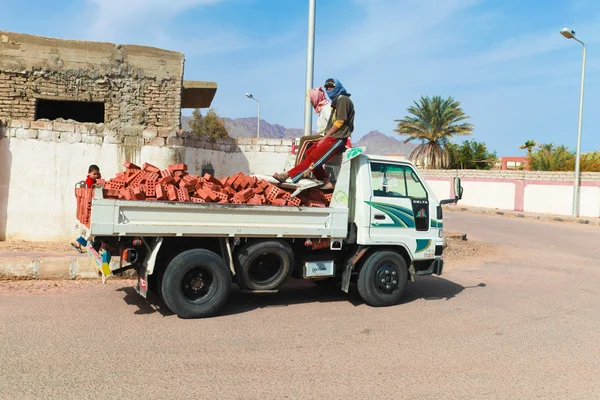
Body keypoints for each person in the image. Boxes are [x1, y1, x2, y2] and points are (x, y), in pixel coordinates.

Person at [274, 78, 354, 190]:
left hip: (337, 137)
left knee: (312, 155)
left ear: (338, 87)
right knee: (309, 152)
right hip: (331, 136)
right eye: (327, 88)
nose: (329, 89)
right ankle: (326, 181)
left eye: (331, 87)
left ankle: (288, 174)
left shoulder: (343, 99)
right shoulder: (336, 101)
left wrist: (324, 138)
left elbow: (340, 122)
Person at [295, 86, 333, 165]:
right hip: (323, 135)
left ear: (316, 98)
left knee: (304, 140)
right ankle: (305, 169)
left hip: (326, 136)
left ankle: (297, 167)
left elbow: (332, 123)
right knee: (309, 149)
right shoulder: (322, 108)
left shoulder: (326, 108)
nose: (311, 102)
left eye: (311, 99)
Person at [71, 165, 101, 253]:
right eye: (94, 174)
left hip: (88, 209)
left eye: (97, 174)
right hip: (89, 209)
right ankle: (78, 243)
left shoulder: (91, 181)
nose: (96, 176)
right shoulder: (89, 182)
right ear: (89, 173)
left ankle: (79, 244)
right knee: (88, 230)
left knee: (87, 231)